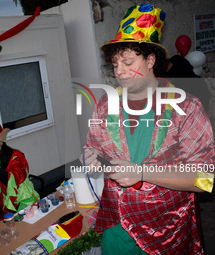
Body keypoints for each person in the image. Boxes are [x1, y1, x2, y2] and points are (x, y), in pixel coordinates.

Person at [81, 4, 215, 255]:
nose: (118, 71)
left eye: (127, 62)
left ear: (150, 60)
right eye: (115, 63)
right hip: (117, 234)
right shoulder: (105, 105)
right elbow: (92, 147)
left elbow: (205, 178)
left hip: (165, 235)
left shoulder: (186, 107)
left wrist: (141, 172)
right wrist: (89, 159)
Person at [0, 119, 39, 213]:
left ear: (1, 141)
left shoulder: (16, 156)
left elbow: (14, 180)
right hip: (6, 207)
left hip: (25, 202)